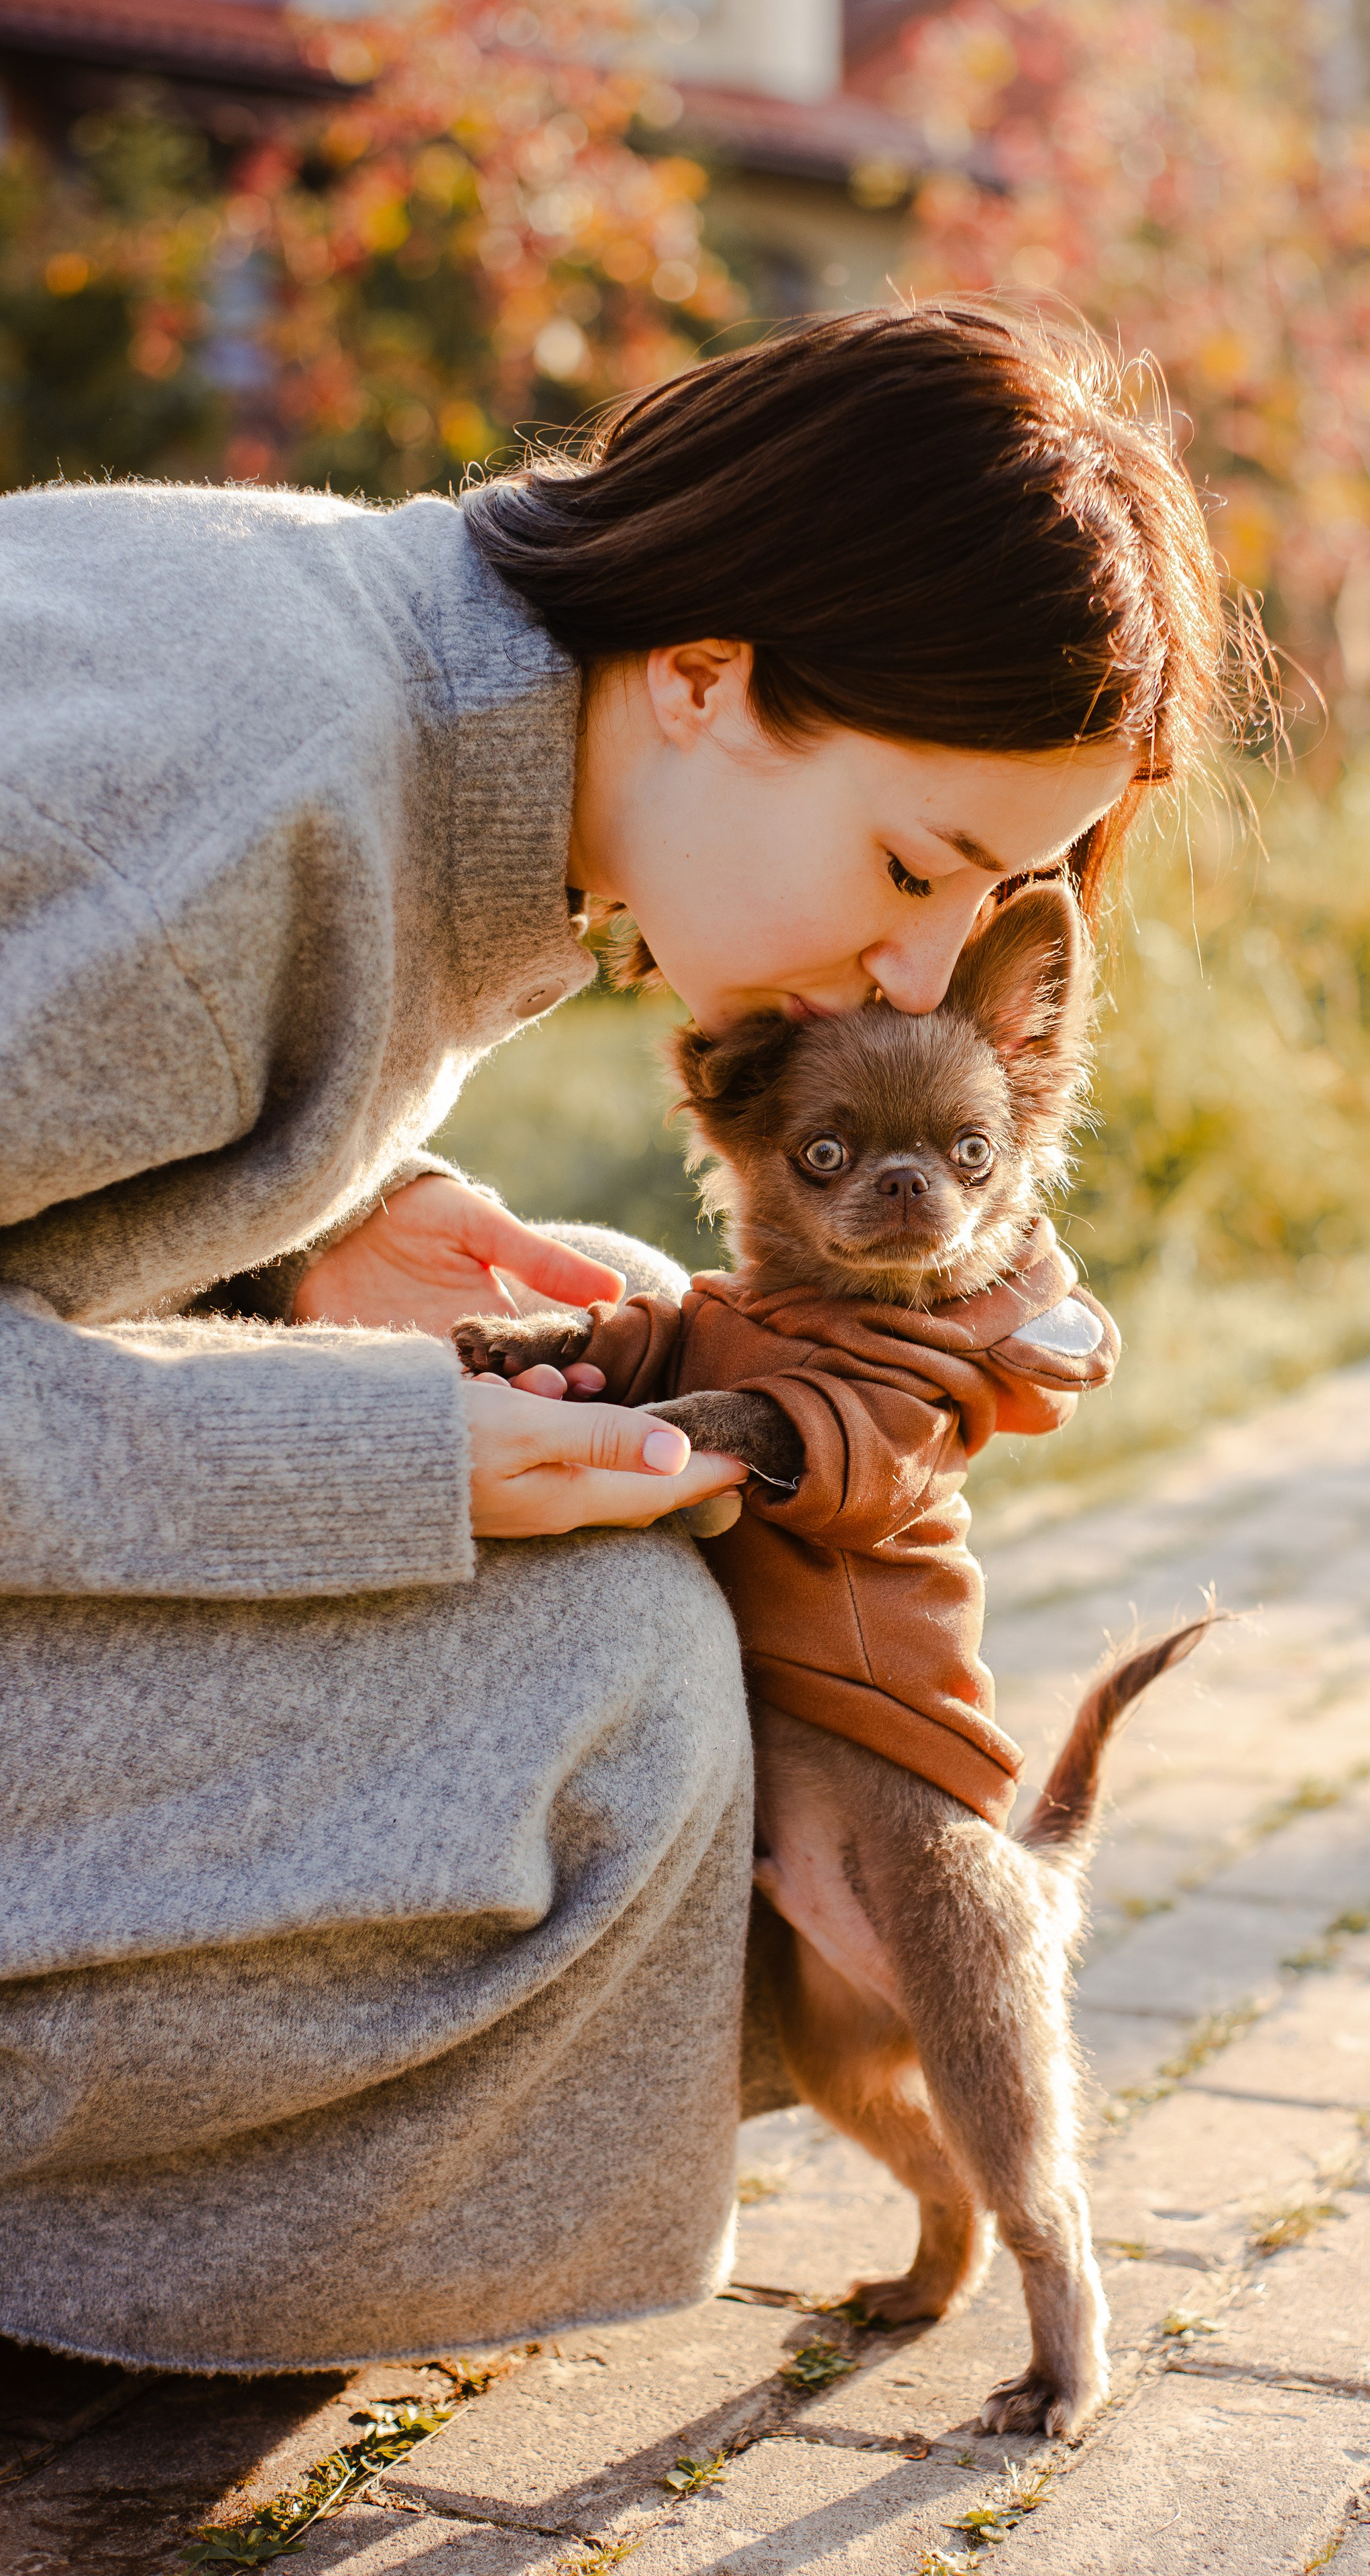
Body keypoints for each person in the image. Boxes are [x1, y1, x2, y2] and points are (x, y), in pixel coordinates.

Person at [0, 300, 1223, 2371]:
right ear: (704, 674)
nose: (927, 963)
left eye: (994, 902)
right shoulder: (253, 792)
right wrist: (379, 1461)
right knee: (619, 1681)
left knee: (647, 1576)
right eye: (918, 861)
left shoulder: (419, 718)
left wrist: (312, 1246)